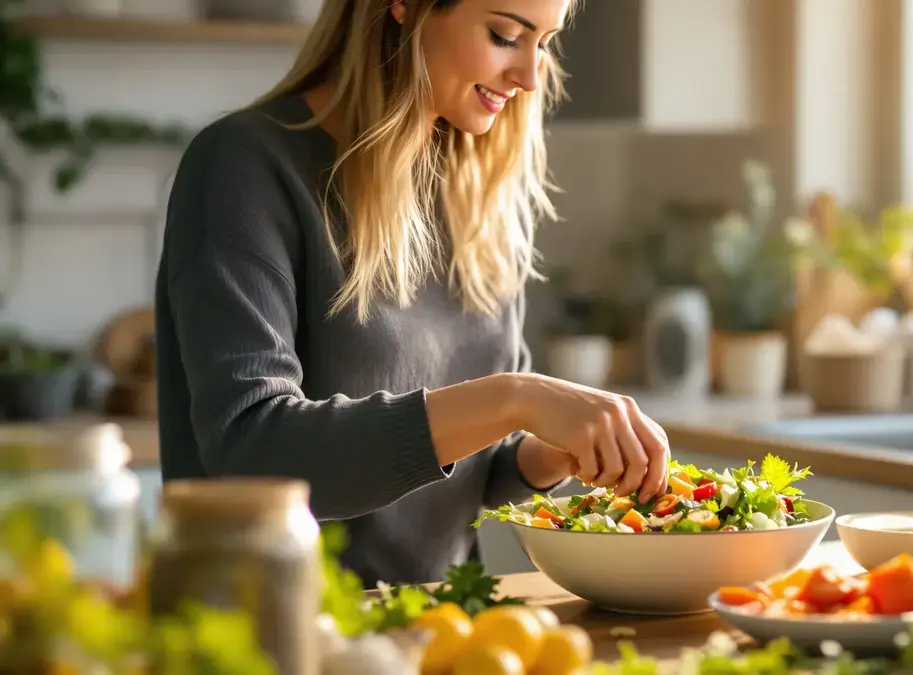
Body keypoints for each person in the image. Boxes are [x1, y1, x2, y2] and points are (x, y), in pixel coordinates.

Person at [153, 0, 671, 586]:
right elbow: (253, 451)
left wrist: (550, 454)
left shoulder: (474, 187)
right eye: (505, 35)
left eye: (544, 43)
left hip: (439, 630)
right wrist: (513, 399)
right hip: (274, 634)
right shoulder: (243, 166)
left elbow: (476, 467)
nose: (530, 78)